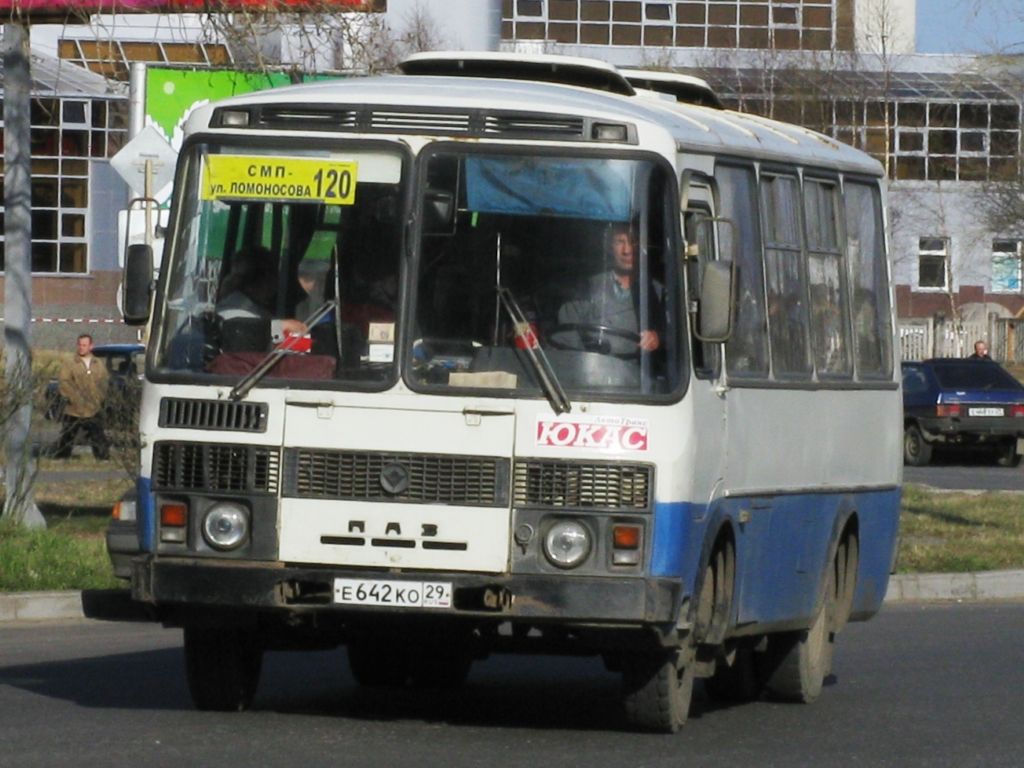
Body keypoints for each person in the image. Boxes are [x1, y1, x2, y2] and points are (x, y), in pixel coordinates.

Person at [557, 222, 661, 355]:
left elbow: (674, 339)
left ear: (644, 247)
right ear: (610, 247)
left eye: (633, 241)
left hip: (635, 372)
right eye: (619, 242)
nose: (627, 250)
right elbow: (565, 338)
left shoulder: (657, 293)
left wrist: (658, 338)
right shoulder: (588, 286)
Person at [216, 246, 307, 349]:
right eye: (274, 276)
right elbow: (241, 332)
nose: (275, 285)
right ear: (263, 279)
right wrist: (281, 326)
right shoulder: (235, 309)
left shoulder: (256, 309)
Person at [50, 334, 110, 460]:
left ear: (91, 346)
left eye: (84, 345)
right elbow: (64, 382)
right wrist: (74, 398)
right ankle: (61, 457)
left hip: (93, 407)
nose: (81, 347)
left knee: (98, 435)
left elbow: (104, 382)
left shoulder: (98, 363)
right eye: (80, 345)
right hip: (74, 408)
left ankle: (103, 458)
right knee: (68, 435)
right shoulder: (70, 363)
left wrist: (98, 398)